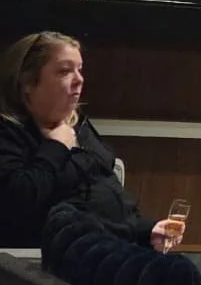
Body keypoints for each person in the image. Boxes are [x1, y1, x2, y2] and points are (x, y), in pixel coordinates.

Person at [0, 32, 174, 250]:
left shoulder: (78, 124)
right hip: (56, 261)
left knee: (177, 271)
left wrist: (146, 230)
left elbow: (104, 185)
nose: (79, 79)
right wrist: (57, 147)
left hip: (112, 246)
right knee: (178, 274)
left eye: (79, 70)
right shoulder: (9, 132)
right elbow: (18, 200)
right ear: (27, 81)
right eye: (64, 71)